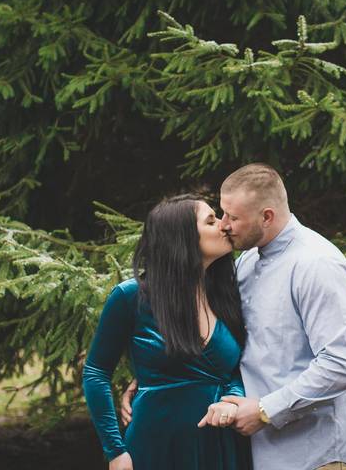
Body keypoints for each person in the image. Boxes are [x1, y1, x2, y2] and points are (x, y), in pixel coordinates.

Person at [125, 164, 346, 470]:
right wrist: (160, 375)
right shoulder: (247, 262)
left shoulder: (317, 265)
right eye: (222, 213)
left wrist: (266, 410)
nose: (224, 225)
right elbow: (228, 343)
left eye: (233, 217)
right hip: (270, 454)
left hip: (320, 456)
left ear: (266, 217)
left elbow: (343, 363)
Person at [82, 194, 252, 470]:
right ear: (181, 237)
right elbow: (96, 372)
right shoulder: (132, 296)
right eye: (211, 221)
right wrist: (115, 451)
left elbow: (234, 369)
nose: (224, 225)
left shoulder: (227, 295)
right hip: (156, 445)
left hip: (220, 445)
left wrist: (232, 401)